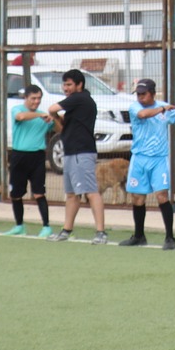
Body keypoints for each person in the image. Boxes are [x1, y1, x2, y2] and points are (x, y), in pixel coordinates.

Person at [44, 68, 109, 242]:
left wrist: (52, 113)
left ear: (79, 85)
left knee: (91, 191)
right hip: (71, 152)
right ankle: (66, 230)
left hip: (83, 152)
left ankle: (101, 232)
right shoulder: (76, 103)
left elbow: (52, 107)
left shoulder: (79, 98)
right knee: (72, 194)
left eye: (69, 84)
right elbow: (64, 127)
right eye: (64, 84)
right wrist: (55, 117)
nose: (65, 88)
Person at [124, 78, 175, 247]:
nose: (140, 97)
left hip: (159, 159)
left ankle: (170, 237)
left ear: (153, 94)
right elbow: (143, 115)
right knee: (137, 197)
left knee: (162, 196)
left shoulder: (164, 106)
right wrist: (162, 109)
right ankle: (139, 236)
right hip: (139, 158)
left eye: (144, 94)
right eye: (138, 94)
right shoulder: (136, 107)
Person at [5, 82, 54, 237]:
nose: (36, 101)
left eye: (39, 98)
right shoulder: (18, 110)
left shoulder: (44, 117)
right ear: (25, 98)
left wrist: (55, 118)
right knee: (16, 194)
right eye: (33, 98)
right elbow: (20, 117)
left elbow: (58, 128)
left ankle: (46, 226)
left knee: (39, 192)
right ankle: (19, 226)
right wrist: (40, 115)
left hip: (37, 157)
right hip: (19, 156)